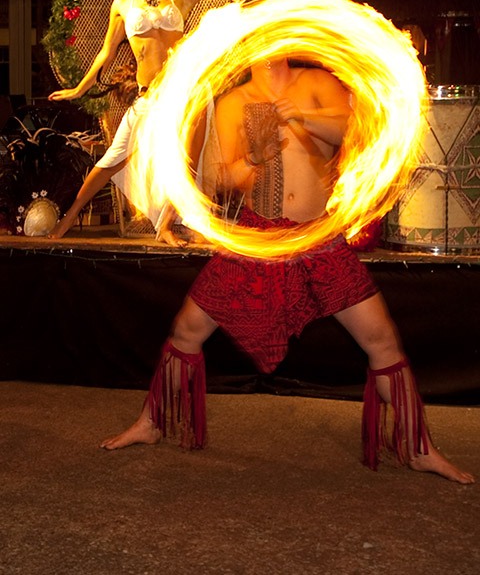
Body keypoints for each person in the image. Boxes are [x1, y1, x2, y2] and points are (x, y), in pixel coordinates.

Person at [100, 55, 474, 484]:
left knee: (381, 339)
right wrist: (254, 159)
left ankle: (419, 448)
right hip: (258, 238)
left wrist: (303, 117)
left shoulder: (315, 83)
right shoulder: (234, 101)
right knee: (187, 329)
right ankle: (152, 422)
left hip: (316, 237)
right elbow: (224, 179)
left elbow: (351, 131)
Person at [47, 0, 268, 242]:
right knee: (109, 163)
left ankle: (165, 226)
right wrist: (79, 89)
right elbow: (106, 53)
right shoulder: (122, 5)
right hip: (147, 97)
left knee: (185, 162)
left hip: (183, 94)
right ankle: (67, 219)